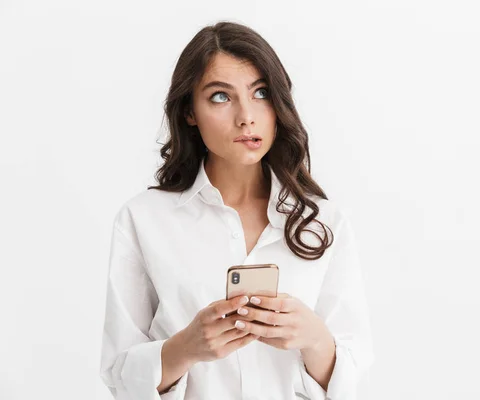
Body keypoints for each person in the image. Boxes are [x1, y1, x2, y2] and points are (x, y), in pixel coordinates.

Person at [99, 21, 373, 400]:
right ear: (189, 112)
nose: (247, 116)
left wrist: (314, 339)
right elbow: (118, 376)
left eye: (260, 93)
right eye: (220, 97)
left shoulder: (324, 223)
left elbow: (353, 376)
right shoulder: (143, 220)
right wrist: (186, 347)